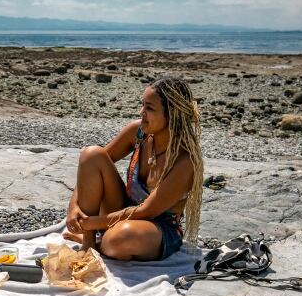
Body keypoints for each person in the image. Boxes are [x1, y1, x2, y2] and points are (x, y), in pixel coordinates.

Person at [65, 77, 204, 261]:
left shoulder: (184, 160)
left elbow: (146, 211)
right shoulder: (139, 132)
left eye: (149, 108)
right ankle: (89, 243)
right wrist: (73, 207)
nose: (141, 112)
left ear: (172, 115)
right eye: (142, 105)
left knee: (120, 238)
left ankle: (100, 241)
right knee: (91, 154)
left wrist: (89, 223)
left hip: (157, 229)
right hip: (122, 210)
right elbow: (89, 168)